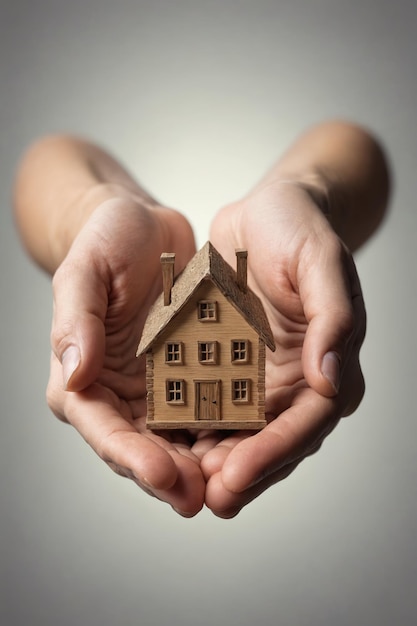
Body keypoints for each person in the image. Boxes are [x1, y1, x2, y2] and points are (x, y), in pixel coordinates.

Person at [13, 121, 389, 518]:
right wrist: (89, 216)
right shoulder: (167, 302)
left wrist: (308, 194)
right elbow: (46, 159)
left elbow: (359, 149)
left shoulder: (244, 301)